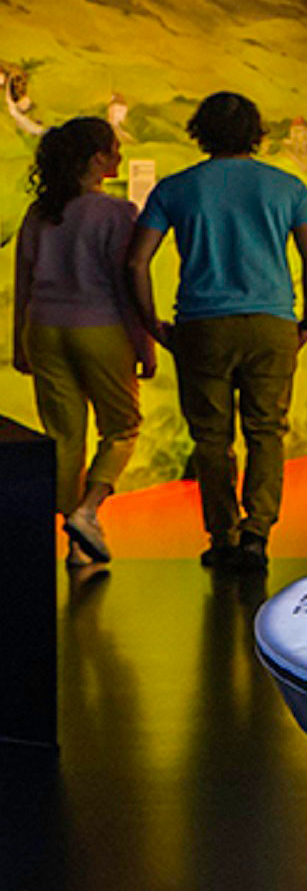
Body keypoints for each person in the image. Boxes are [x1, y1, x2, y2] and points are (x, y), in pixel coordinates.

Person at [129, 91, 307, 572]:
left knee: (211, 438)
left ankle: (222, 535)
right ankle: (257, 532)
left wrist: (151, 323)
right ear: (255, 133)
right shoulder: (288, 187)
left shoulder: (175, 189)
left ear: (201, 132)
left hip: (202, 325)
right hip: (272, 323)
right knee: (266, 430)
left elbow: (136, 262)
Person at [12, 115, 150, 567]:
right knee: (122, 427)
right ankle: (87, 511)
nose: (119, 156)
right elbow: (124, 286)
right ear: (96, 159)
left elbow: (23, 282)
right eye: (113, 149)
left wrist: (18, 344)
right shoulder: (116, 213)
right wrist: (144, 344)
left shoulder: (39, 213)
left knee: (63, 436)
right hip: (100, 329)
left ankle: (75, 540)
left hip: (43, 329)